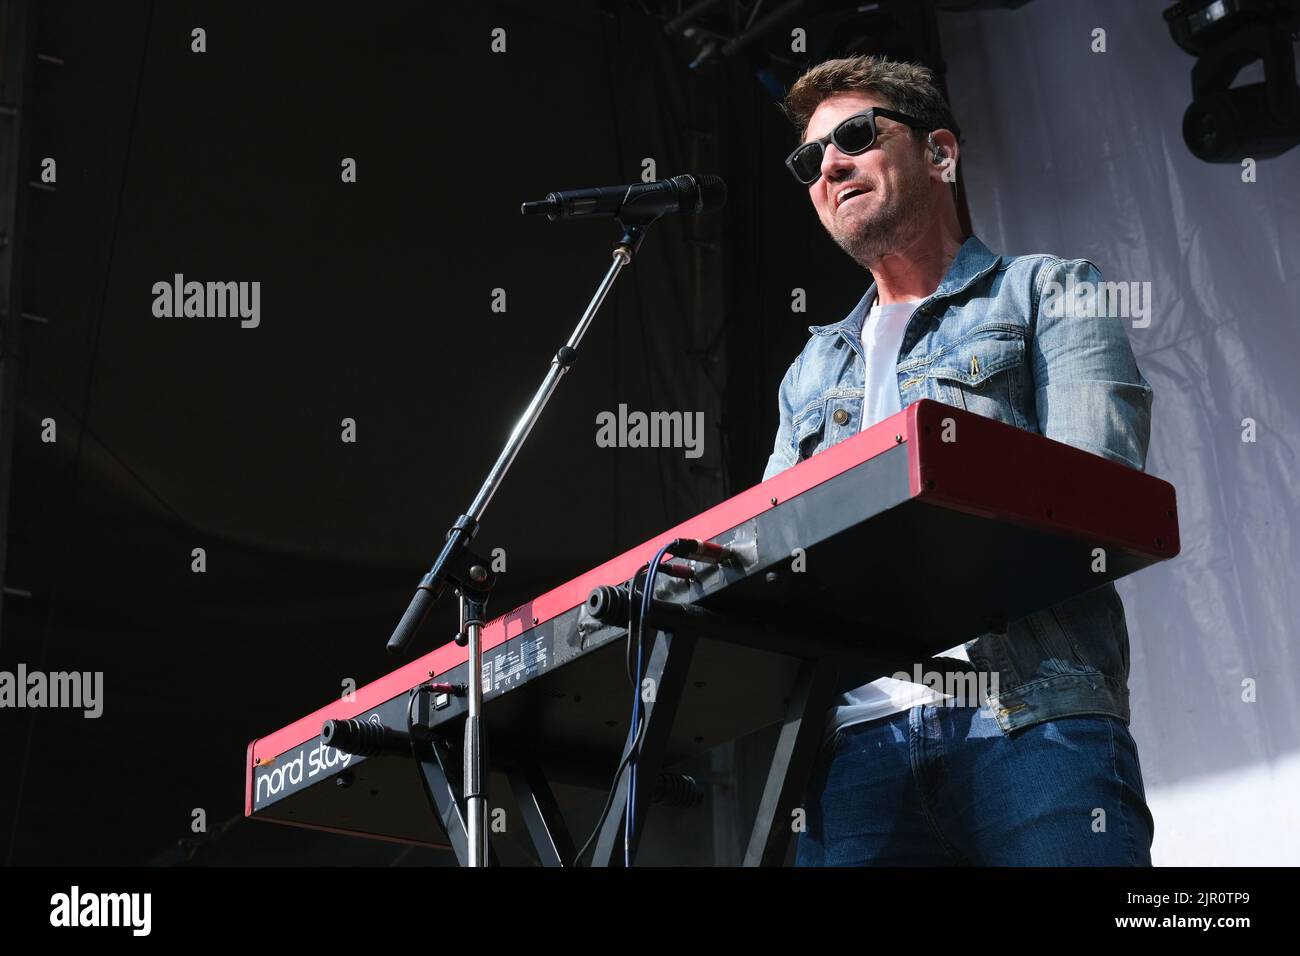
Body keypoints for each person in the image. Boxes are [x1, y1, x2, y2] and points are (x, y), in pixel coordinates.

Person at [763, 54, 1156, 866]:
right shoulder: (809, 372)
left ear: (940, 154)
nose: (829, 164)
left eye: (856, 136)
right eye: (809, 160)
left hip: (1029, 717)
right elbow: (771, 559)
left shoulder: (1050, 290)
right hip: (854, 751)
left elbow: (1096, 493)